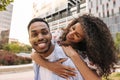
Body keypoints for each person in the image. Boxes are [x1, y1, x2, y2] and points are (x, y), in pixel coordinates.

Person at [31, 14, 117, 80]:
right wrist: (52, 66)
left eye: (77, 35)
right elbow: (34, 54)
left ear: (85, 41)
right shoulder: (58, 35)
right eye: (73, 28)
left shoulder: (88, 57)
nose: (70, 34)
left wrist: (74, 56)